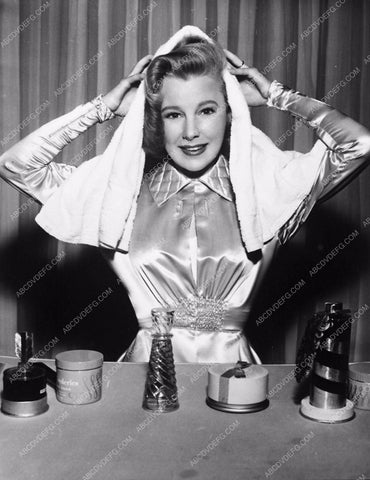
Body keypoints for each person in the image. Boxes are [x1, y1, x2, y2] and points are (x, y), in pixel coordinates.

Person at [0, 26, 369, 363]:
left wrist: (276, 96)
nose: (191, 131)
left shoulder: (268, 193)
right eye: (174, 114)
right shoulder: (118, 195)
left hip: (234, 385)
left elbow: (359, 144)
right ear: (156, 121)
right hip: (143, 384)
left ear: (230, 111)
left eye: (206, 110)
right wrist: (103, 109)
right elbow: (16, 165)